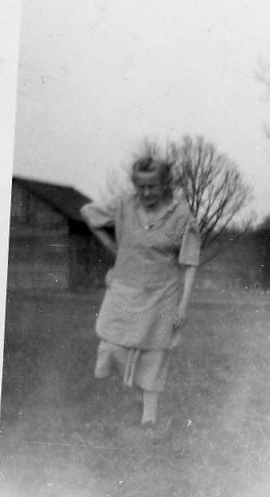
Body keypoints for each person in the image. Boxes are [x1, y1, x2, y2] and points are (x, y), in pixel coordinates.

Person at [81, 155, 200, 428]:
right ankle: (130, 391)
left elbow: (190, 264)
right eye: (141, 187)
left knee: (155, 354)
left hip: (162, 294)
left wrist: (182, 307)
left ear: (165, 184)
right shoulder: (124, 204)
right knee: (112, 344)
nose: (146, 193)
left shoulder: (182, 216)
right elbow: (89, 214)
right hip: (124, 290)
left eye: (152, 186)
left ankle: (149, 417)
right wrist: (113, 248)